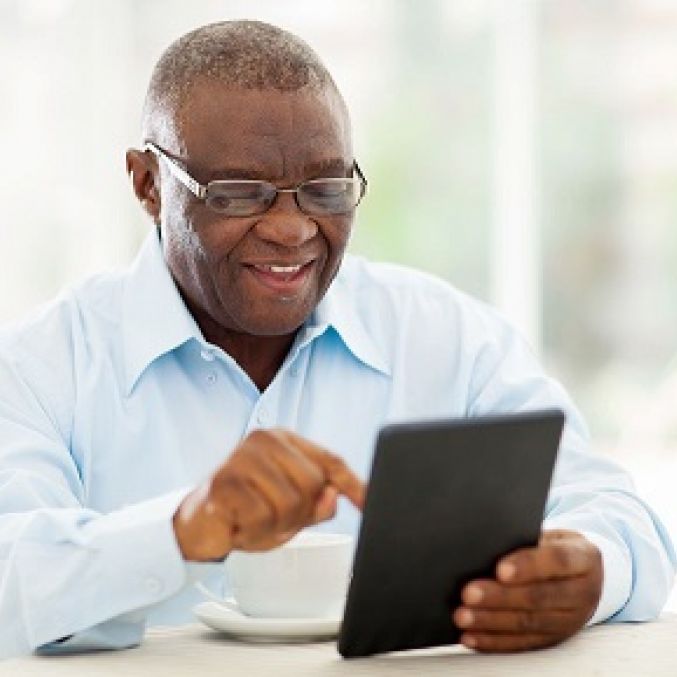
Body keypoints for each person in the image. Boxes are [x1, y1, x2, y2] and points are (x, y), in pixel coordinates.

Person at [0, 19, 673, 659]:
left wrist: (589, 570)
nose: (292, 229)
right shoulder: (43, 364)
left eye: (325, 189)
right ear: (148, 185)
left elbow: (621, 517)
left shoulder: (448, 339)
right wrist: (180, 530)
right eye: (240, 192)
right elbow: (8, 578)